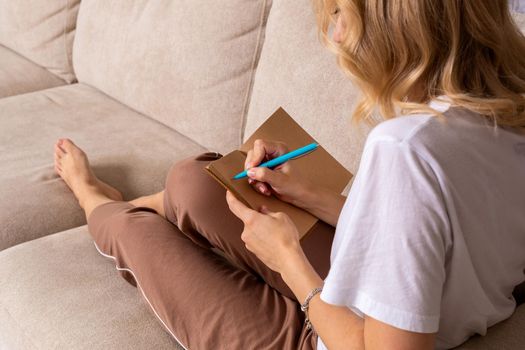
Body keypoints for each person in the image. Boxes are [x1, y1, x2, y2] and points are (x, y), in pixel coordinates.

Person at [53, 0, 525, 349]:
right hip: (400, 294)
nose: (335, 37)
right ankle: (167, 201)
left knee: (133, 231)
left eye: (340, 14)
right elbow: (434, 234)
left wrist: (288, 262)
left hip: (328, 336)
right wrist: (310, 195)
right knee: (198, 180)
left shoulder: (405, 147)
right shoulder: (502, 112)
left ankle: (95, 199)